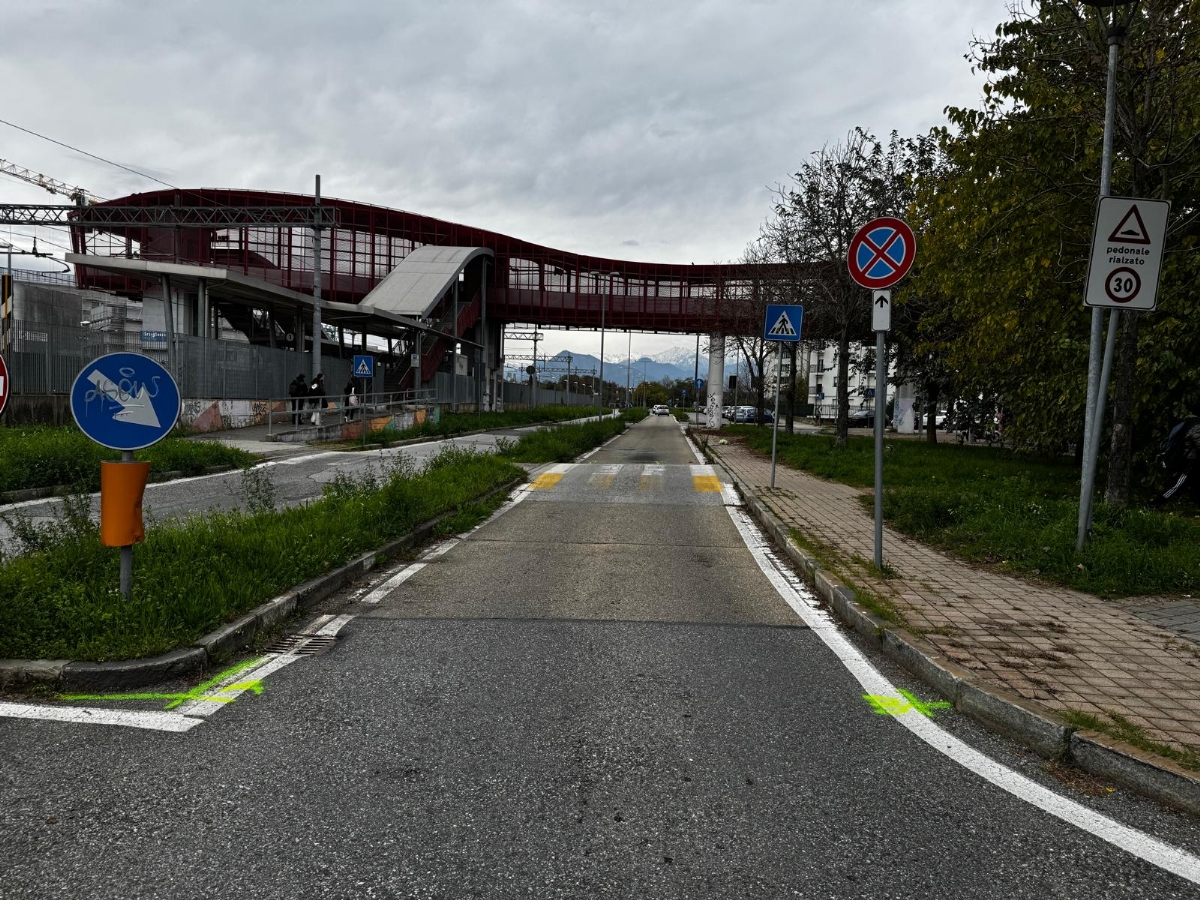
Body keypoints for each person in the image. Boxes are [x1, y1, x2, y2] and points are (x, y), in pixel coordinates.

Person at [1156, 407, 1200, 505]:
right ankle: (1155, 504)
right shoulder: (1196, 426)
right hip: (1189, 461)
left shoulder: (1184, 424)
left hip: (1186, 460)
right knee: (1177, 485)